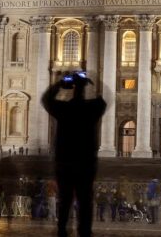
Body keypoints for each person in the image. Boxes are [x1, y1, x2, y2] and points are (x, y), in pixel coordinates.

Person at [42, 71, 106, 237]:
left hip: (65, 162)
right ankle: (85, 232)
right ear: (85, 89)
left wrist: (60, 84)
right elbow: (105, 99)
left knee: (65, 200)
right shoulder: (92, 109)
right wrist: (92, 82)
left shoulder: (63, 109)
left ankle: (62, 230)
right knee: (85, 201)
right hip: (86, 163)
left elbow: (46, 99)